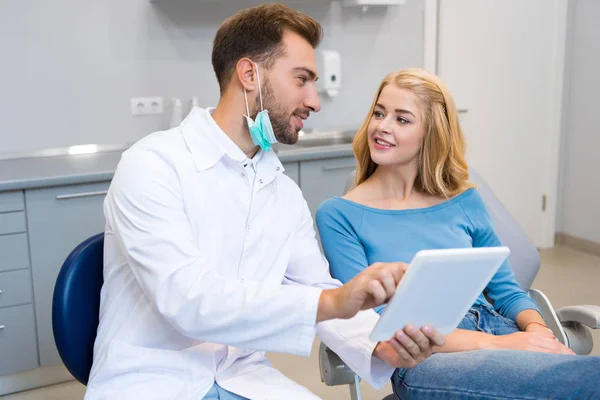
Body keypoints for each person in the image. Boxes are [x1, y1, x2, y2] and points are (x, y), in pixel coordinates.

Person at [85, 6, 446, 400]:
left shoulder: (281, 191)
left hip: (243, 377)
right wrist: (332, 301)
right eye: (302, 79)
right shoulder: (153, 165)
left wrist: (378, 346)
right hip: (154, 379)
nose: (314, 100)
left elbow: (315, 286)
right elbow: (187, 300)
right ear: (249, 74)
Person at [315, 68, 600, 399]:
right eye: (379, 113)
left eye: (401, 119)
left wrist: (538, 332)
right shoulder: (339, 215)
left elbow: (507, 292)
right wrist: (504, 345)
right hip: (424, 355)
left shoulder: (464, 201)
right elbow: (379, 327)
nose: (382, 126)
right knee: (585, 380)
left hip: (495, 327)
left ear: (430, 134)